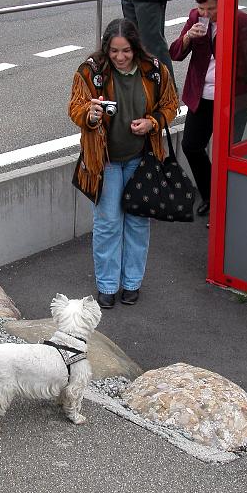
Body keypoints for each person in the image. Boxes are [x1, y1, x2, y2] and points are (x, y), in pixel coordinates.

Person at [69, 18, 178, 309]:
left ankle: (132, 283)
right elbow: (75, 107)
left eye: (126, 51)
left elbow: (171, 105)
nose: (120, 57)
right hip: (104, 161)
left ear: (135, 48)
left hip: (141, 158)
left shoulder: (154, 70)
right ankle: (107, 285)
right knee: (108, 223)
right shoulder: (90, 71)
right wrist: (90, 115)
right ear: (106, 48)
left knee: (138, 222)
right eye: (114, 51)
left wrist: (152, 123)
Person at [169, 0, 247, 217]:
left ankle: (224, 205)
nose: (206, 13)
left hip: (232, 98)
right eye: (202, 8)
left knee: (227, 153)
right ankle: (210, 195)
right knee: (191, 145)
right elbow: (175, 53)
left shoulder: (243, 22)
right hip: (202, 94)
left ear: (224, 2)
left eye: (211, 8)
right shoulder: (196, 19)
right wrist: (187, 37)